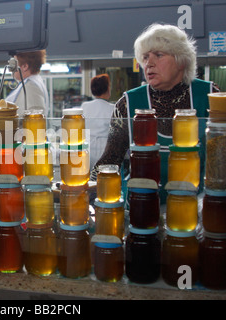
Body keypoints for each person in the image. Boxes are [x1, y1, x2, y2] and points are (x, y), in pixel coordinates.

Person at [93, 23, 218, 203]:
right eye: (145, 57)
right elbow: (110, 160)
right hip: (140, 211)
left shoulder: (209, 95)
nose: (148, 63)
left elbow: (221, 160)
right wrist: (83, 186)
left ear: (181, 60)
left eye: (158, 55)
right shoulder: (127, 104)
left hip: (197, 209)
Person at [80, 74, 115, 168]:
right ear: (108, 88)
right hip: (104, 152)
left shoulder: (85, 106)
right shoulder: (112, 109)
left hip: (86, 151)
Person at [5, 50, 49, 117]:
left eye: (13, 64)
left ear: (25, 66)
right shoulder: (32, 83)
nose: (10, 69)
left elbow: (34, 121)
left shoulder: (31, 87)